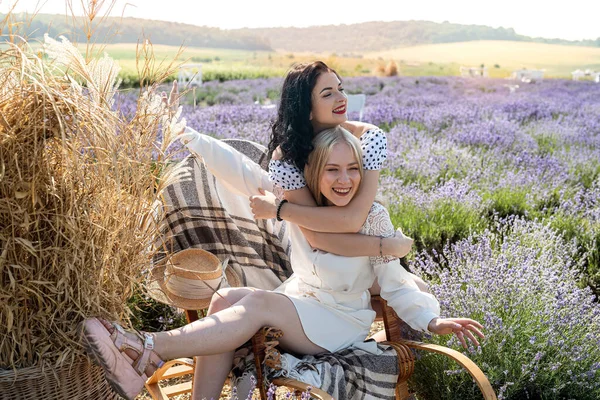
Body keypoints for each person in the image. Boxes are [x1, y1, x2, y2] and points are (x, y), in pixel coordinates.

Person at [82, 126, 484, 400]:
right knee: (223, 298)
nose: (345, 180)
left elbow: (396, 282)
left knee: (258, 304)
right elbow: (242, 172)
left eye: (354, 169)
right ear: (313, 173)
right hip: (301, 306)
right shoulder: (297, 206)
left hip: (338, 321)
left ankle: (146, 346)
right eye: (332, 169)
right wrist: (190, 136)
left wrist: (433, 320)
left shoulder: (373, 218)